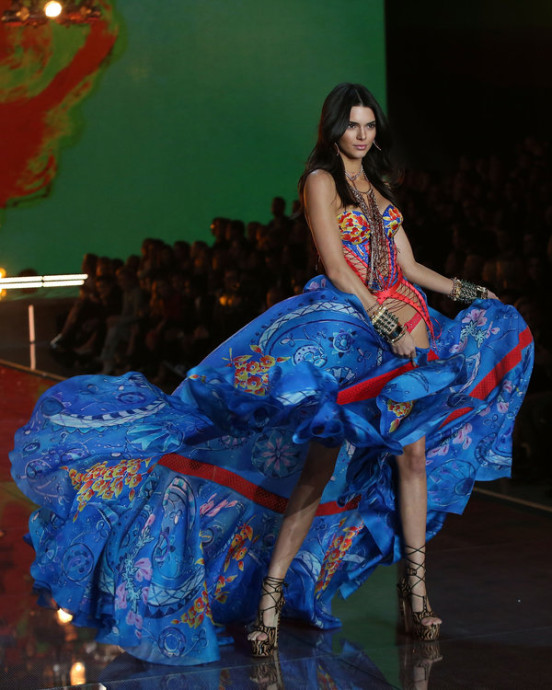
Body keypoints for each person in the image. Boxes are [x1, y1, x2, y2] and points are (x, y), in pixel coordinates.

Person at [10, 84, 533, 667]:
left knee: (410, 456)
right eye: (353, 125)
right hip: (350, 331)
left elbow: (407, 265)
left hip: (406, 327)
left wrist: (463, 290)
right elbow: (336, 266)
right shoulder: (322, 181)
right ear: (334, 128)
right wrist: (377, 313)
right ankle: (268, 598)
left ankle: (415, 597)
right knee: (321, 461)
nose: (363, 134)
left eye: (370, 125)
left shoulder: (378, 185)